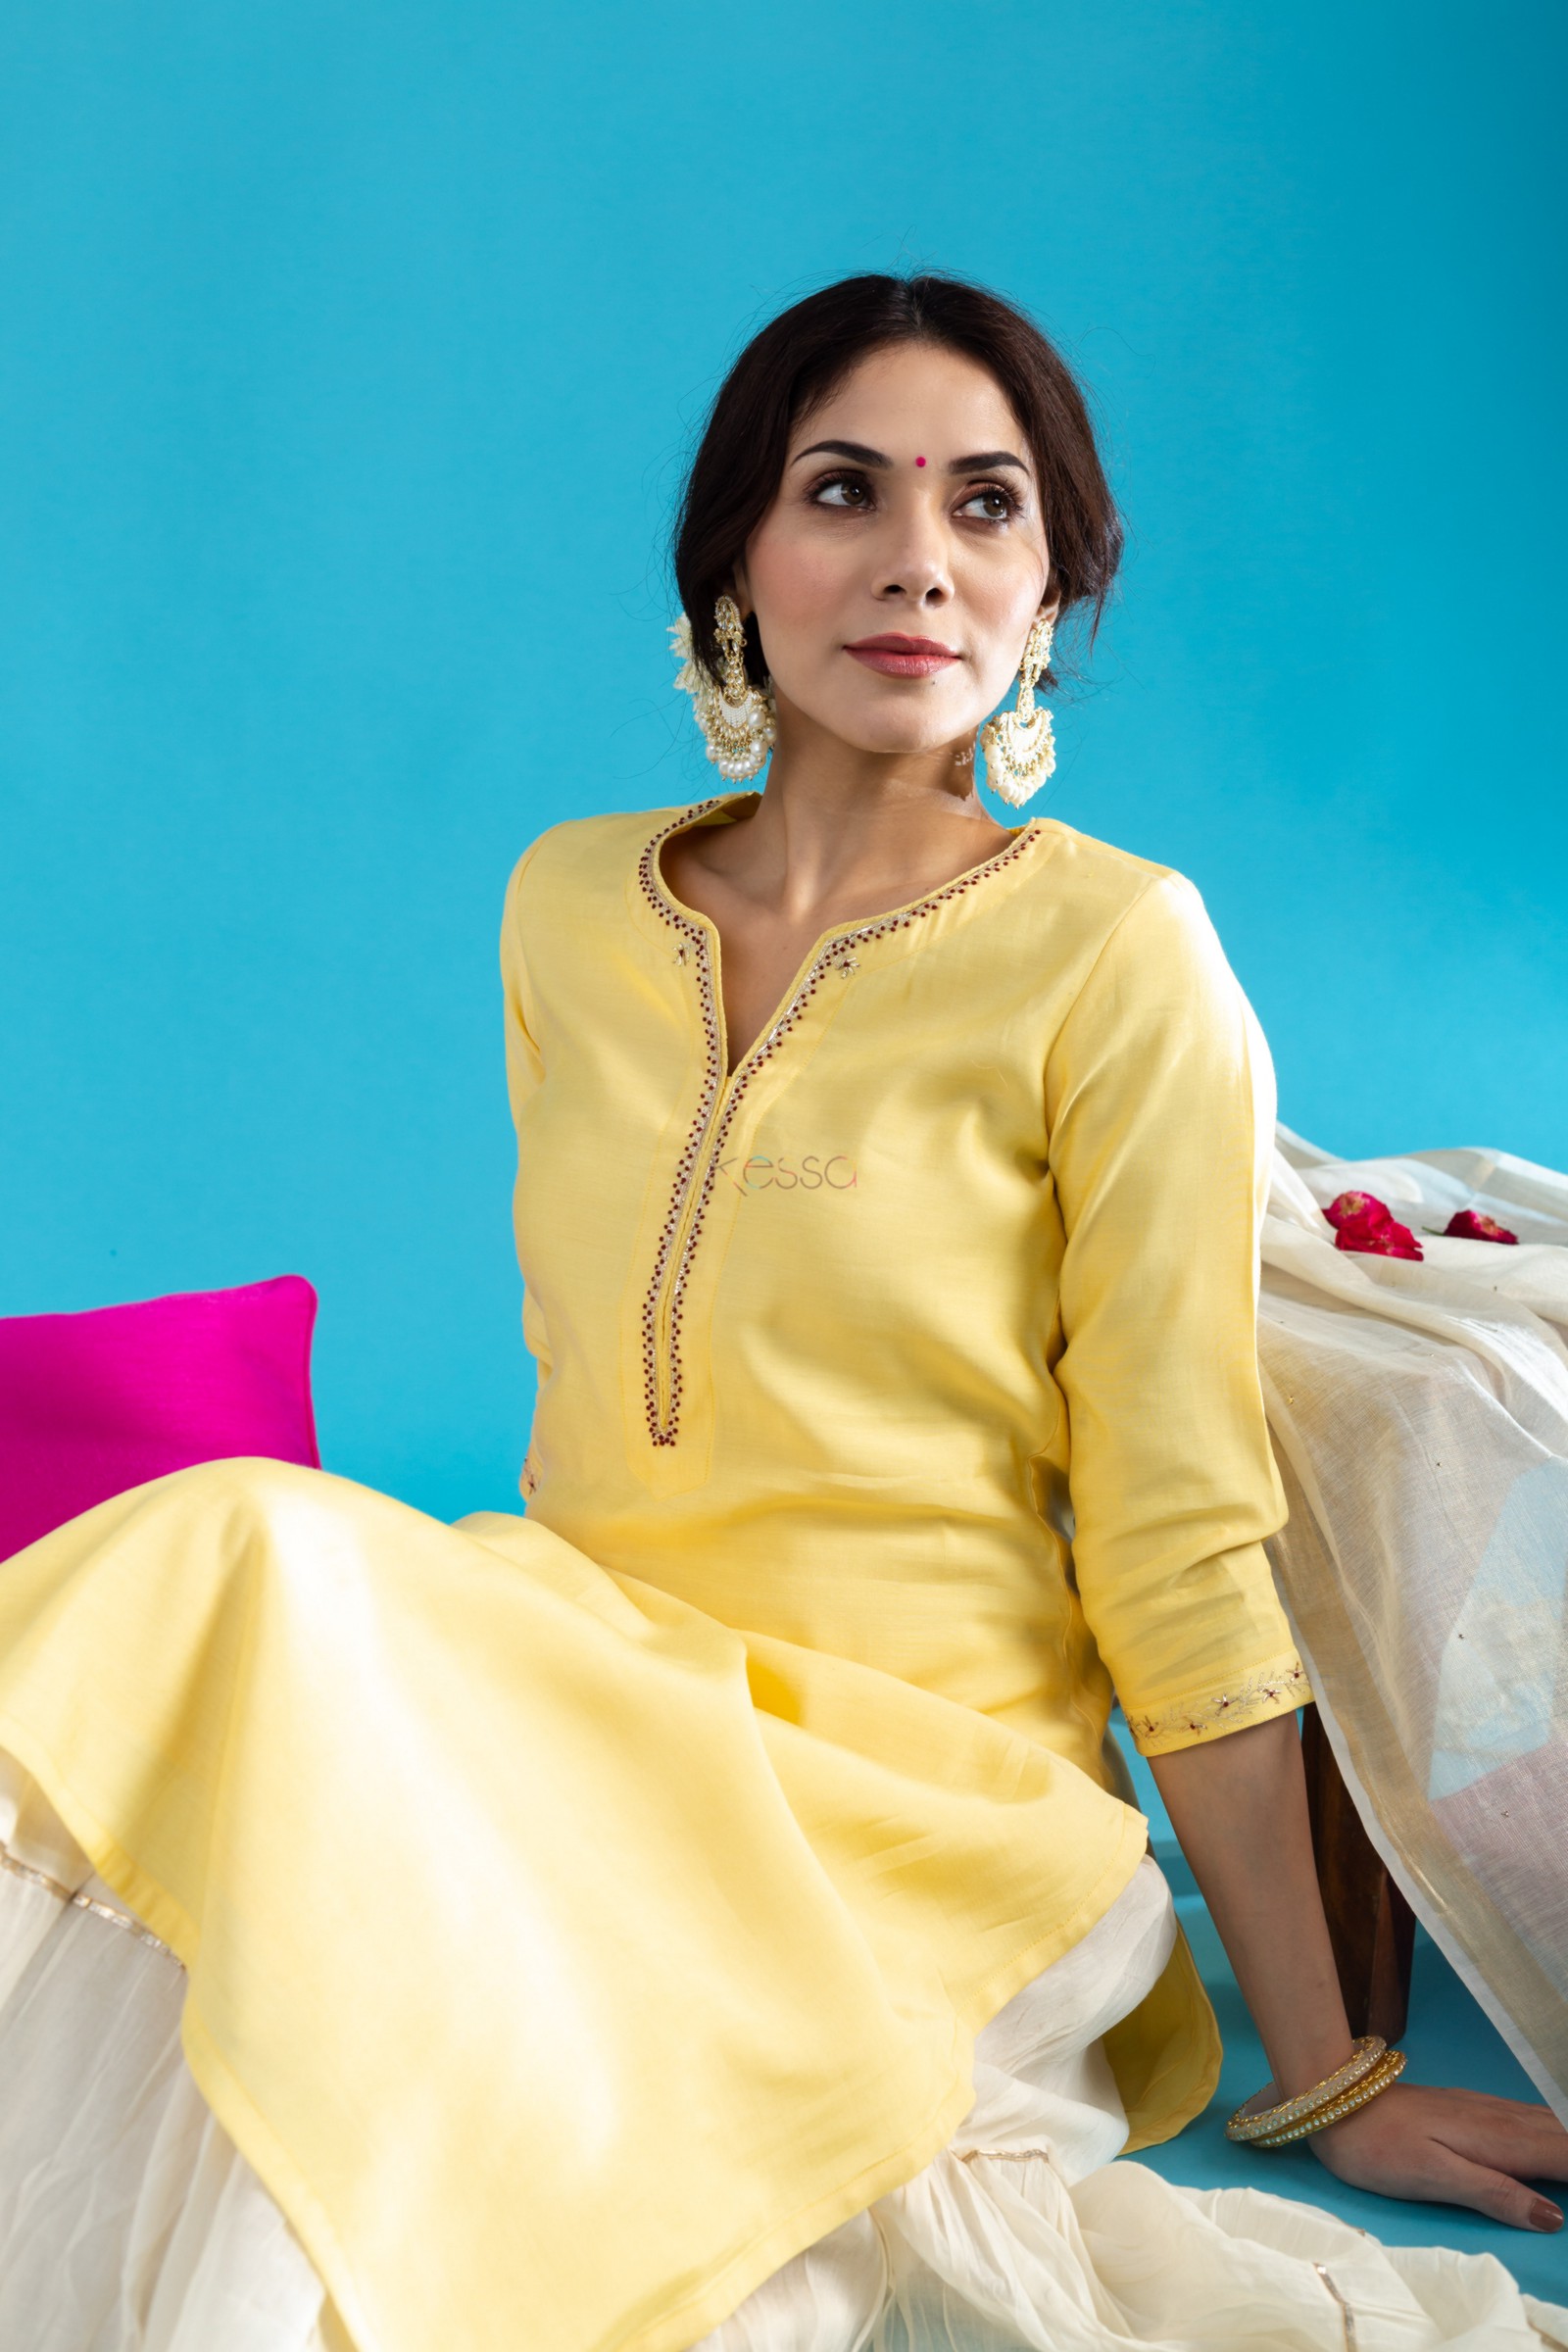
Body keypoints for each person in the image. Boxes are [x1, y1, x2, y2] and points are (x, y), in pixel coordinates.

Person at [0, 272, 1563, 2352]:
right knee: (197, 1799)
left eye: (985, 506)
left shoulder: (1117, 952)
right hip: (572, 1709)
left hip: (915, 1810)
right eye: (845, 491)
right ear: (733, 559)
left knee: (249, 1550)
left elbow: (1180, 1532)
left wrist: (1332, 2073)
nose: (919, 558)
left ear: (1048, 597)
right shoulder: (568, 904)